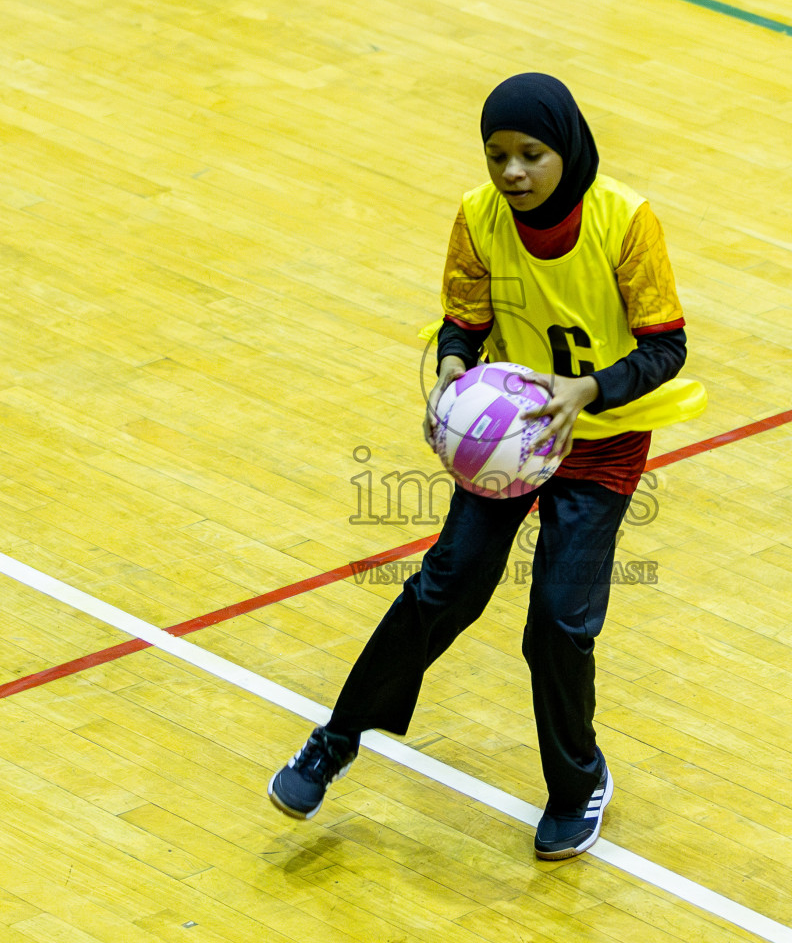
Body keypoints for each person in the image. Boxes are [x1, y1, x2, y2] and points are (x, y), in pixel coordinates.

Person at [269, 73, 705, 859]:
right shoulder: (478, 216)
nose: (512, 171)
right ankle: (335, 741)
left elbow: (666, 346)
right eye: (497, 154)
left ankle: (578, 785)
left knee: (558, 624)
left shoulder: (625, 220)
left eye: (531, 154)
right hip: (510, 438)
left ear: (567, 149)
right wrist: (451, 371)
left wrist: (588, 390)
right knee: (444, 588)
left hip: (602, 436)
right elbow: (463, 320)